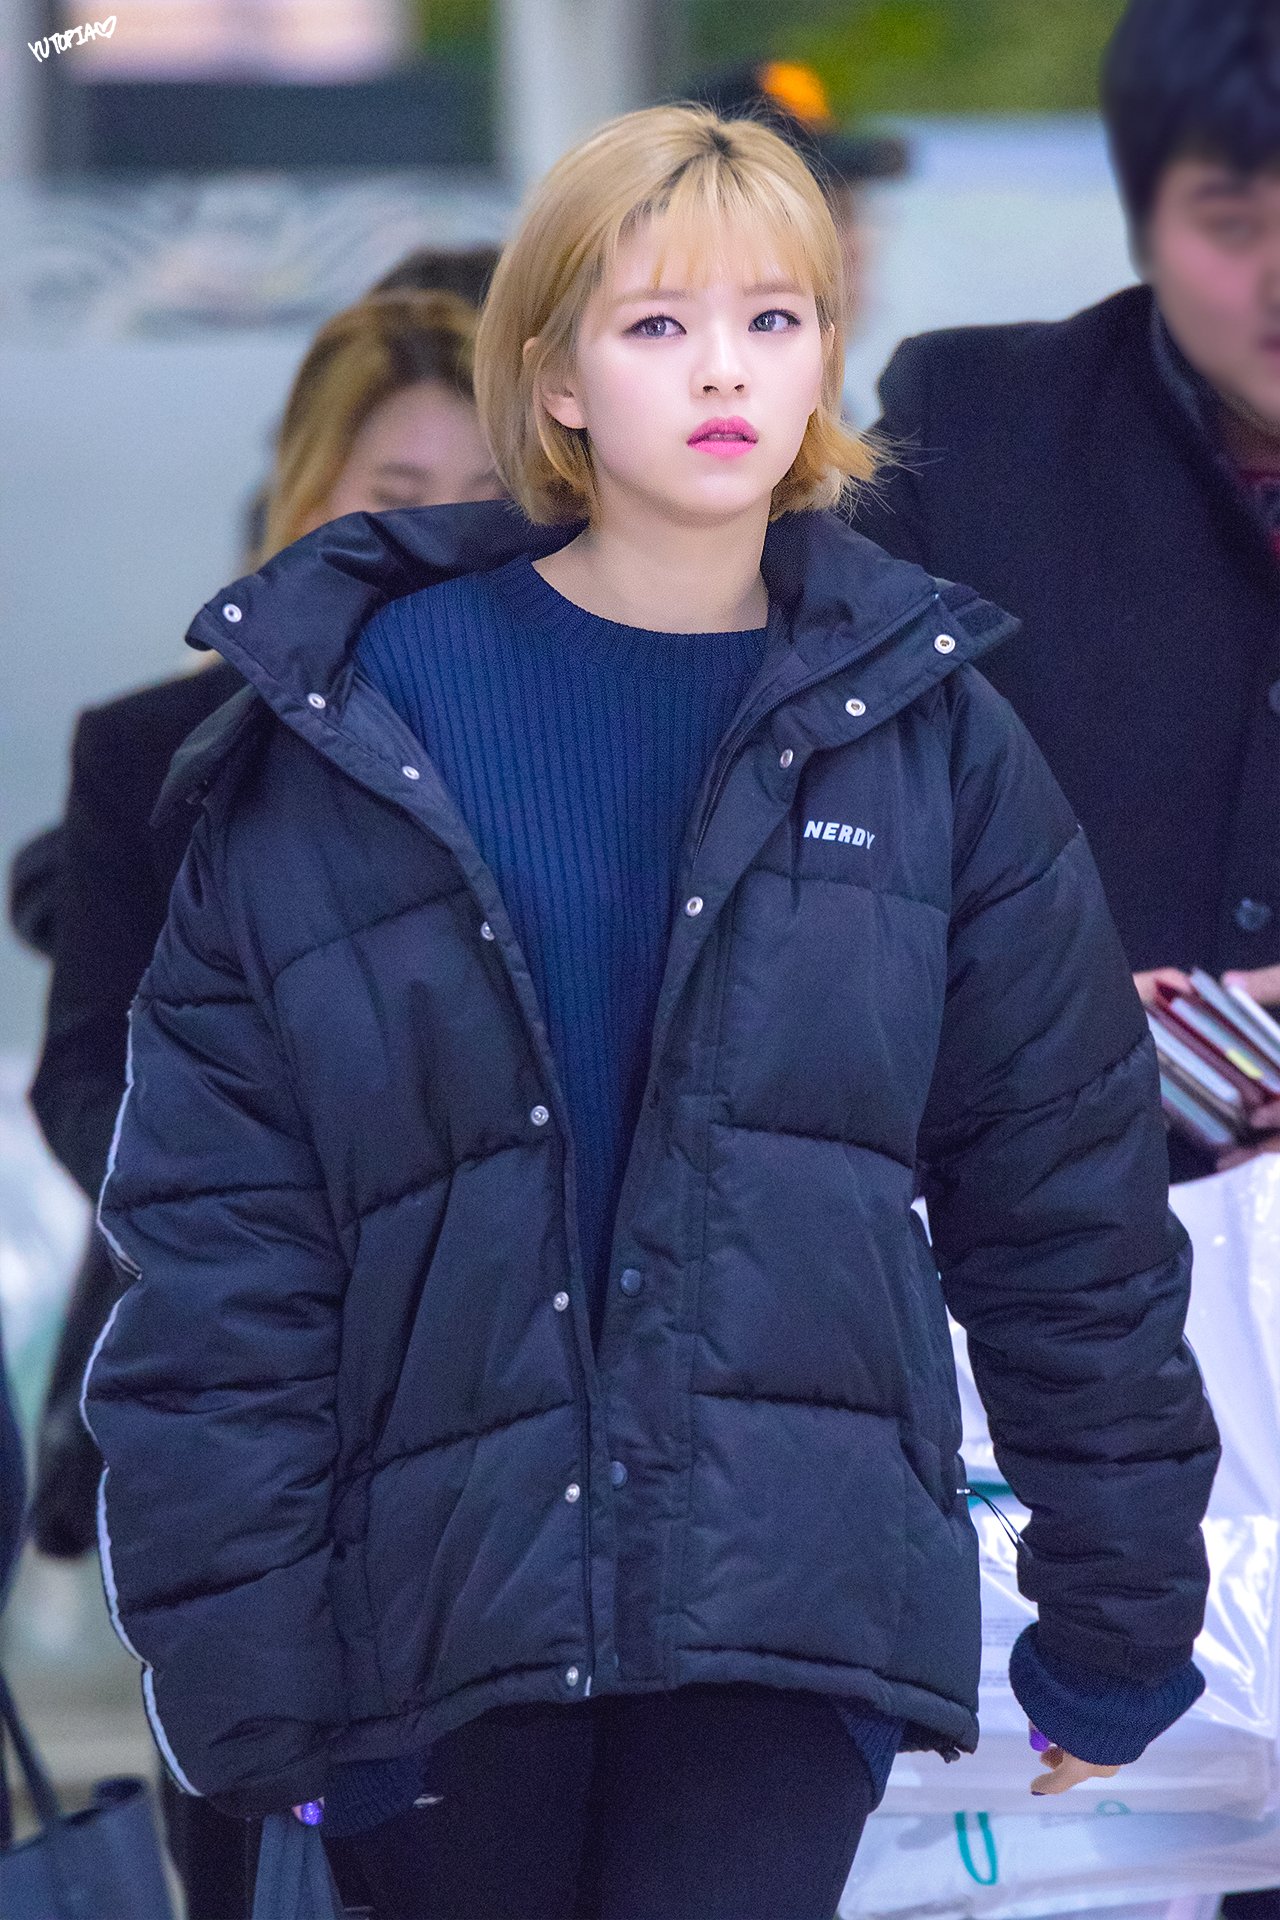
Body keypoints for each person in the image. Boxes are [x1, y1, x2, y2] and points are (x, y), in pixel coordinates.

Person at [80, 105, 1218, 1920]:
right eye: (658, 323)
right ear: (553, 378)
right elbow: (226, 1245)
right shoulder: (348, 729)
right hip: (434, 1609)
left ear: (826, 357)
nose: (725, 371)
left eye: (774, 320)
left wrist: (1120, 1603)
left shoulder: (929, 738)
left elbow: (1064, 1202)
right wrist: (248, 1669)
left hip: (788, 1594)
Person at [19, 280, 500, 1919]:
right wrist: (265, 1202)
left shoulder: (576, 747)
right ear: (303, 496)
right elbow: (84, 1071)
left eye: (486, 490)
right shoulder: (155, 750)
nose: (441, 533)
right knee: (264, 1861)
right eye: (396, 489)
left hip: (507, 1436)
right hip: (243, 1413)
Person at [853, 0, 1280, 1185]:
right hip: (1029, 1220)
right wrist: (1028, 1008)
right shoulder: (969, 431)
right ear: (1142, 221)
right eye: (1228, 223)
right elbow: (809, 834)